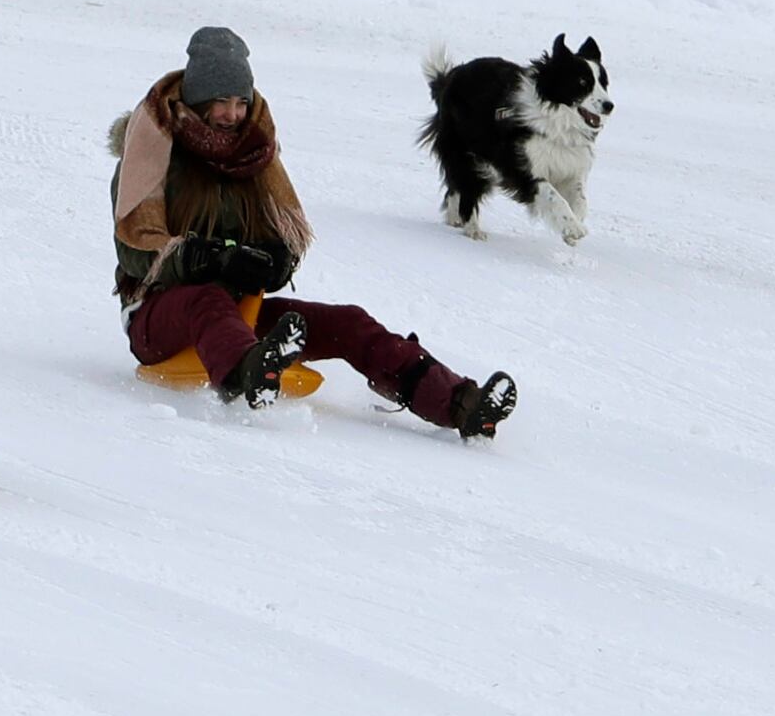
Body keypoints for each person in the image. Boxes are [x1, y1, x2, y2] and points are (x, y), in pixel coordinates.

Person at [112, 25, 517, 438]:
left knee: (350, 323)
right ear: (198, 100)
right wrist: (203, 257)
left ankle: (459, 405)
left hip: (235, 318)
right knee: (209, 298)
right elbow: (135, 252)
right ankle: (247, 378)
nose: (233, 115)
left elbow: (280, 229)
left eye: (239, 102)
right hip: (158, 317)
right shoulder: (152, 149)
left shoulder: (251, 152)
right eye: (221, 102)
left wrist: (274, 257)